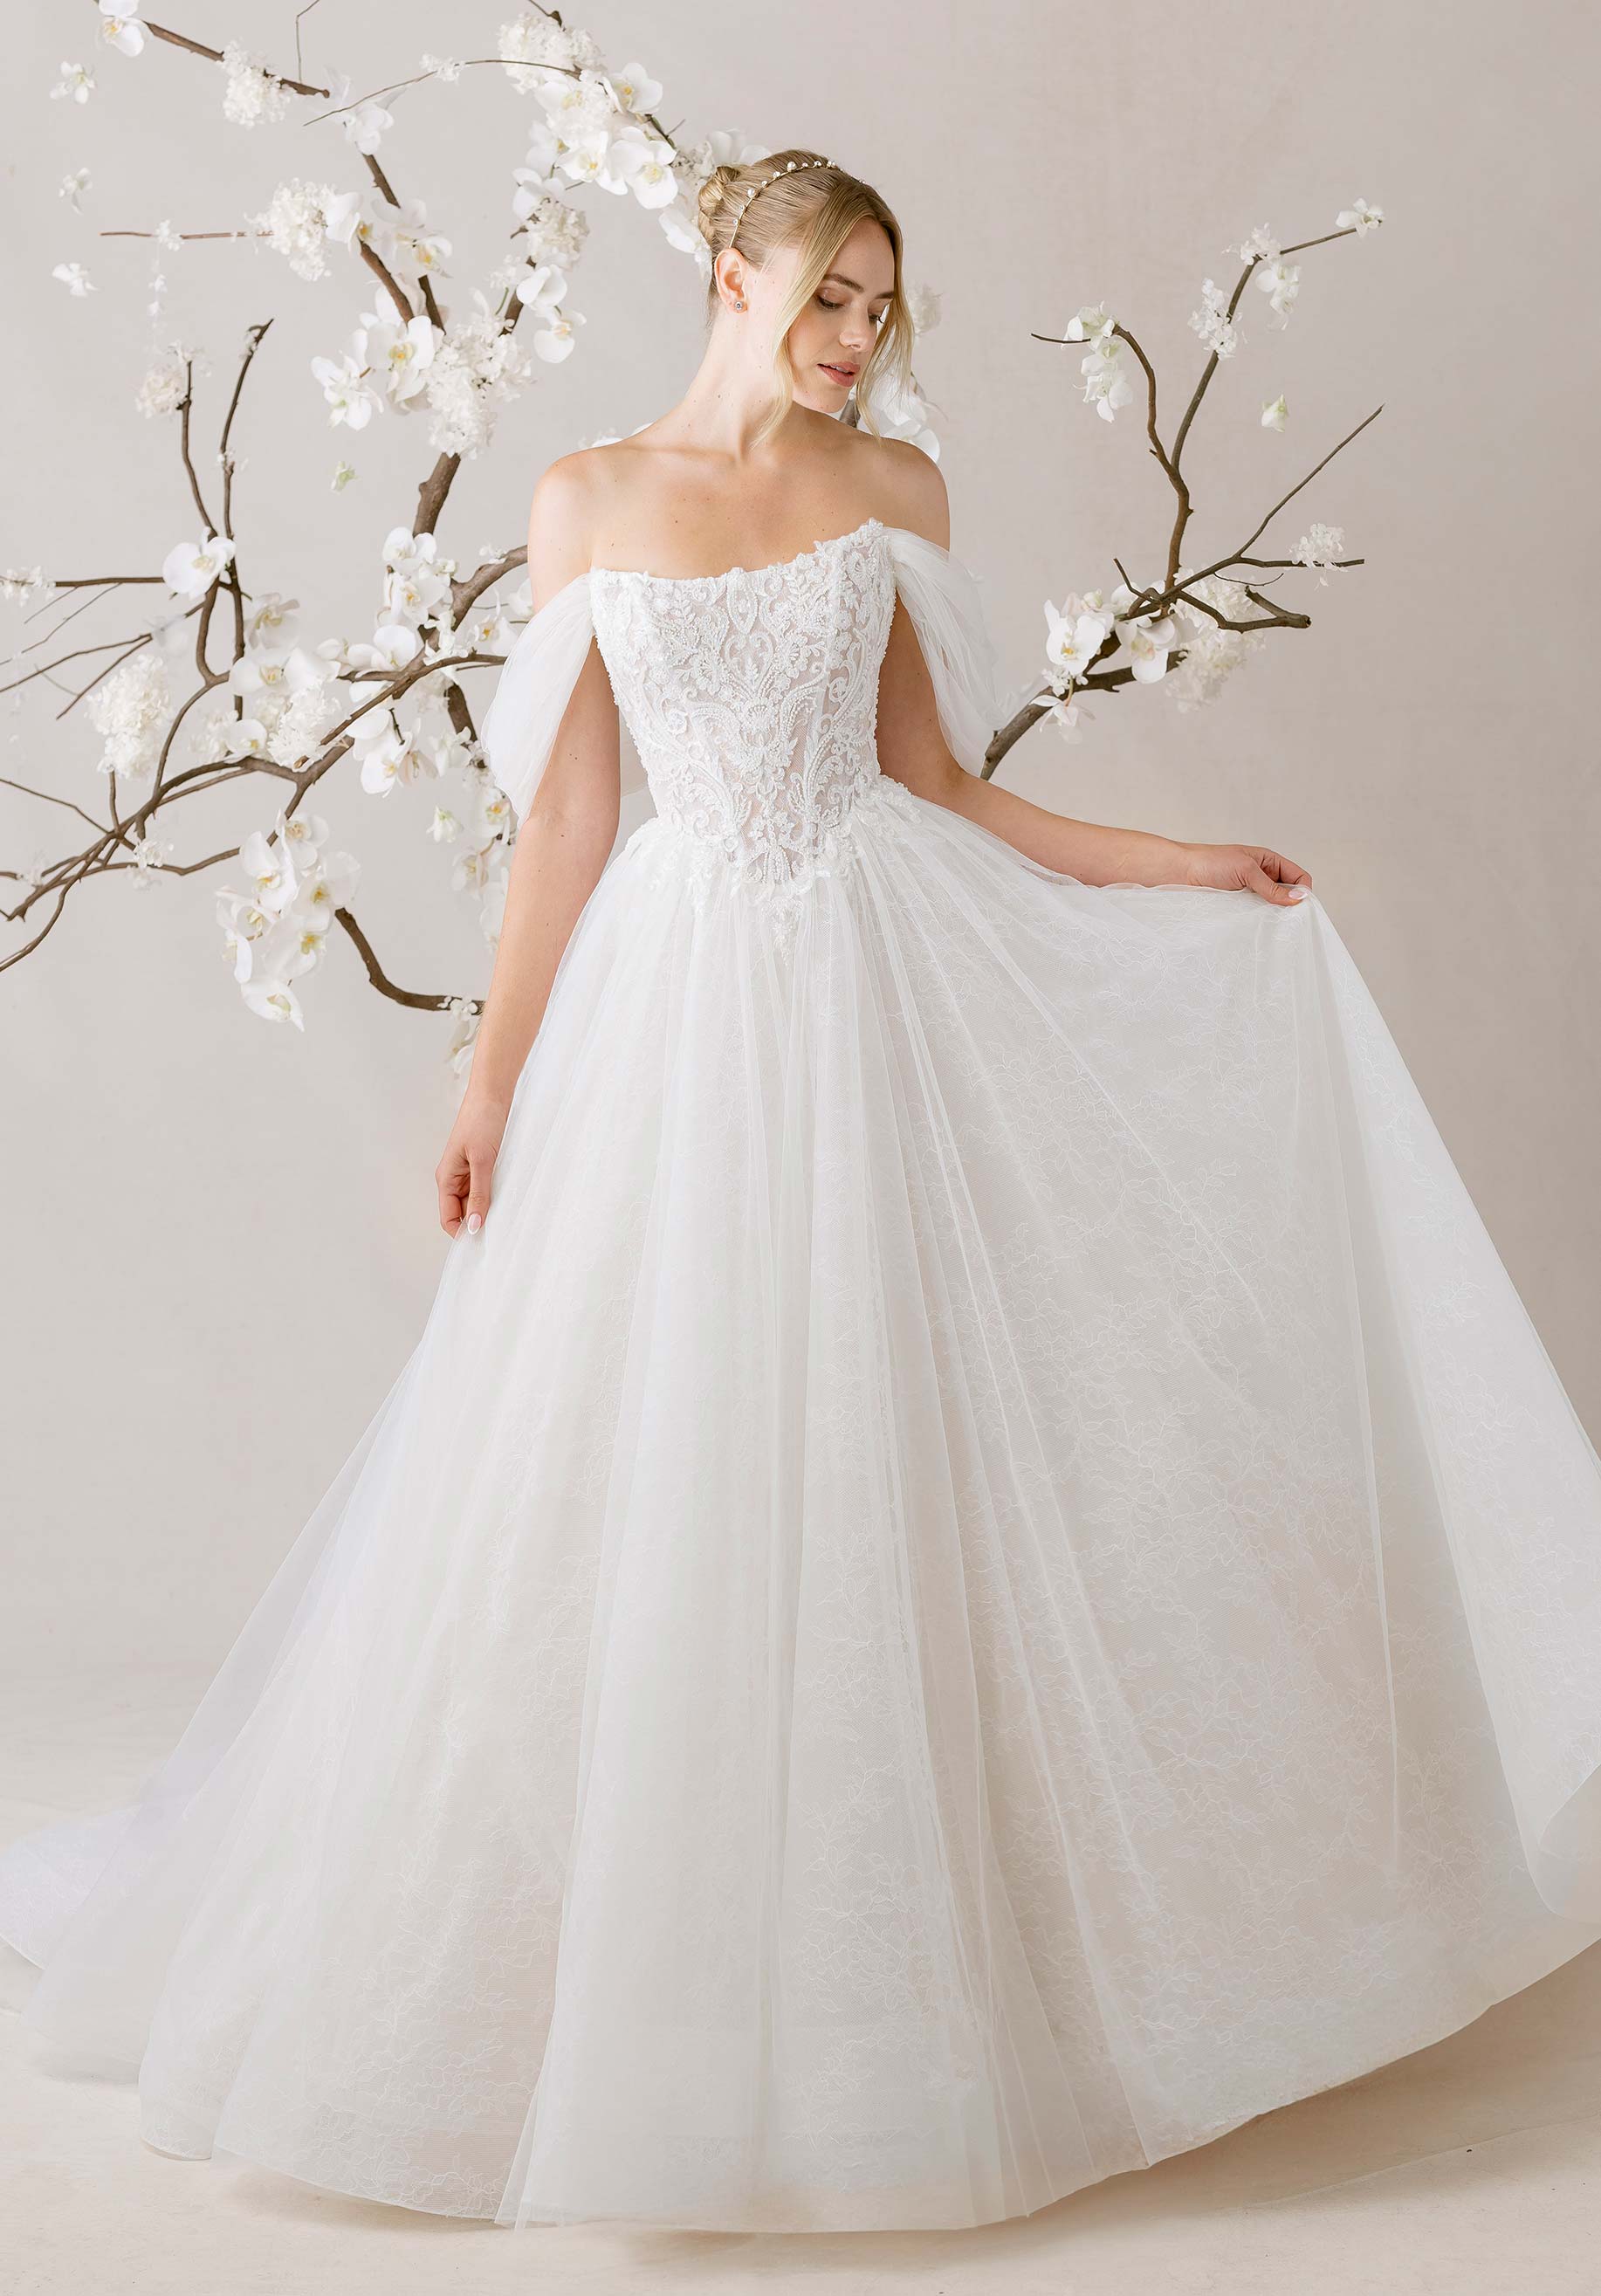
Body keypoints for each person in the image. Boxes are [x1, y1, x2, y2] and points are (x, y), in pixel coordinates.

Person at [3, 148, 1599, 2240]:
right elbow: (569, 815)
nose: (856, 341)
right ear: (727, 272)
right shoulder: (584, 501)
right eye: (829, 296)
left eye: (880, 309)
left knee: (909, 1451)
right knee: (646, 1462)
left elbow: (937, 783)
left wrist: (1183, 865)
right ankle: (624, 1996)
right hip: (677, 1009)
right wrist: (491, 1076)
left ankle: (943, 1973)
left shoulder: (895, 495)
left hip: (875, 977)